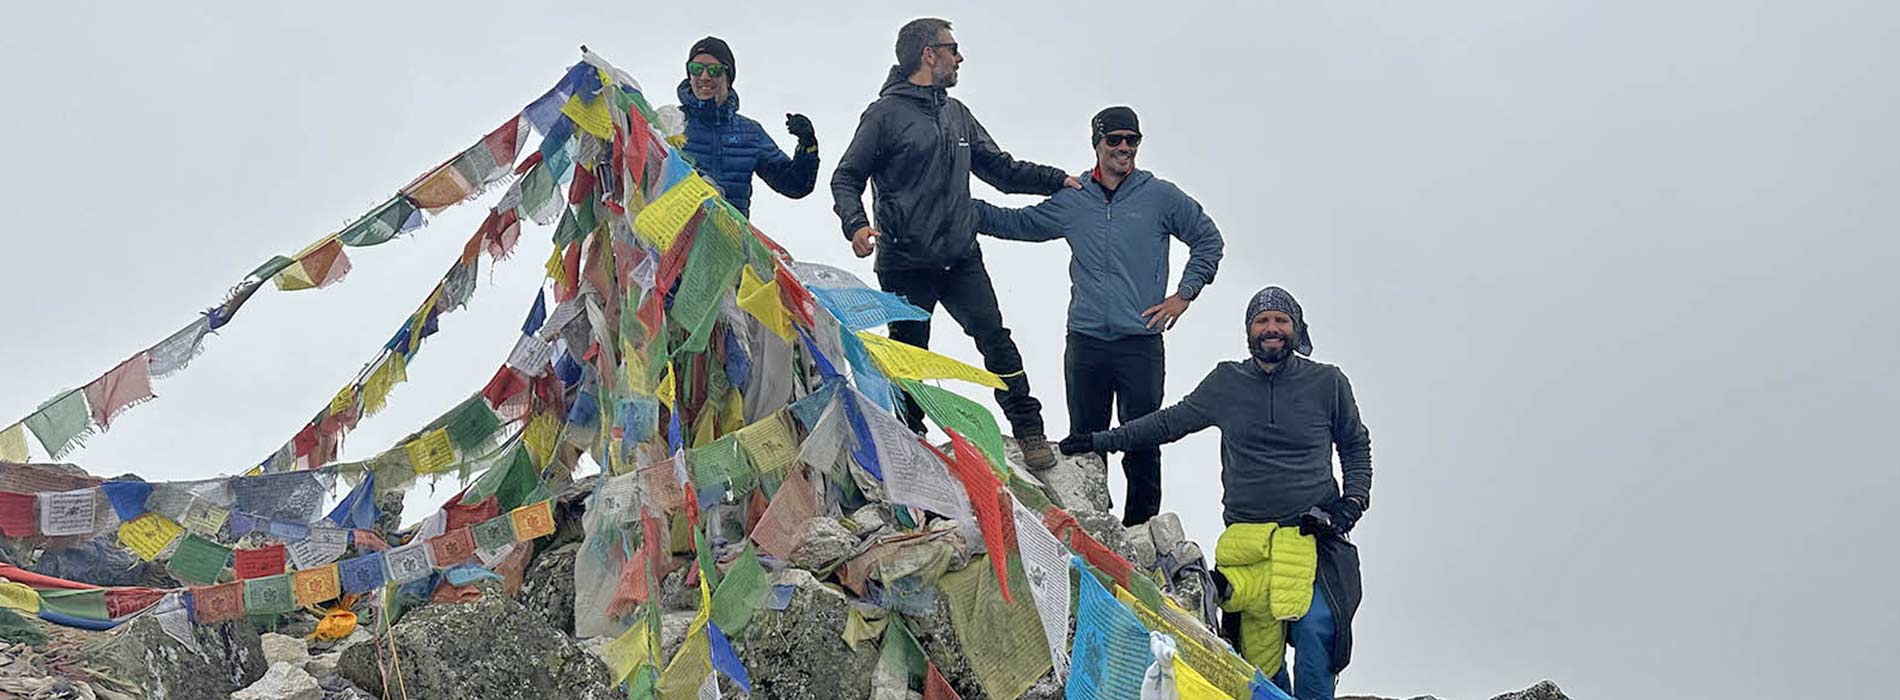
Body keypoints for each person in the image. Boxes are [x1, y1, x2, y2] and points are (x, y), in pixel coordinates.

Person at [1060, 287, 1371, 700]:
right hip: (1247, 544)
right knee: (1259, 658)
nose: (1272, 329)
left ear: (1296, 330)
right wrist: (1099, 439)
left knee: (1318, 629)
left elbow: (1354, 445)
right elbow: (1169, 423)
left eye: (1281, 321)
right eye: (1262, 321)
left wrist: (1351, 503)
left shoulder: (1327, 382)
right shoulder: (1228, 381)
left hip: (1313, 537)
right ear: (1249, 331)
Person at [830, 17, 1080, 468]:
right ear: (929, 54)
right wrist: (856, 225)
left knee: (996, 340)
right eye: (953, 48)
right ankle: (910, 445)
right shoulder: (884, 115)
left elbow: (1000, 170)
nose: (959, 57)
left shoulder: (956, 113)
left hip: (961, 257)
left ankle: (1029, 431)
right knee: (909, 359)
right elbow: (846, 176)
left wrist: (1057, 180)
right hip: (906, 261)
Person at [973, 105, 1224, 526]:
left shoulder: (1159, 195)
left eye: (1132, 140)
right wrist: (953, 206)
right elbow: (1017, 223)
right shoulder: (1076, 198)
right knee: (1086, 442)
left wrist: (1184, 294)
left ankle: (1141, 531)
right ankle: (1094, 529)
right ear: (1097, 144)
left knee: (1143, 439)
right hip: (1086, 340)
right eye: (1115, 140)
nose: (1124, 148)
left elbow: (1208, 239)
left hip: (1140, 341)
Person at [664, 36, 818, 218]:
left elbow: (794, 185)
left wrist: (807, 146)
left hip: (730, 241)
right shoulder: (671, 124)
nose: (704, 77)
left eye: (713, 70)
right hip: (672, 238)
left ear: (728, 78)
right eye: (696, 69)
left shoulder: (750, 133)